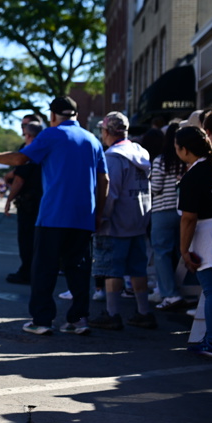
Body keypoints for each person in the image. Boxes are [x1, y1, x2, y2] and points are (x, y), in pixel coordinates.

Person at [0, 96, 108, 336]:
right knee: (78, 269)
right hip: (83, 216)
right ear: (76, 114)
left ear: (53, 115)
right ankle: (79, 320)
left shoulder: (51, 135)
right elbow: (104, 179)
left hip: (53, 214)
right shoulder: (92, 140)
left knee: (44, 268)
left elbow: (20, 159)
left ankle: (42, 320)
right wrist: (98, 213)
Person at [87, 112, 155, 330]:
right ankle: (144, 312)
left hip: (116, 223)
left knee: (112, 270)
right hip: (138, 220)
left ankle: (112, 313)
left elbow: (110, 192)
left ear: (107, 132)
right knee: (138, 269)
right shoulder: (140, 153)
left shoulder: (113, 157)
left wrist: (100, 217)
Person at [174, 126, 212, 357]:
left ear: (185, 150)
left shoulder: (192, 177)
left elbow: (188, 219)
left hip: (211, 234)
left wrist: (184, 250)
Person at [149, 122, 187, 311]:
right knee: (183, 253)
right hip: (183, 211)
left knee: (162, 253)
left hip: (162, 211)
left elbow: (155, 187)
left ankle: (170, 294)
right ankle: (188, 290)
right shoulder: (187, 159)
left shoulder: (161, 160)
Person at [4, 121, 44, 284]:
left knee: (26, 240)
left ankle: (26, 272)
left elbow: (19, 180)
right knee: (38, 240)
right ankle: (35, 271)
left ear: (28, 135)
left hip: (29, 203)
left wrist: (9, 200)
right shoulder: (46, 149)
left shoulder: (29, 152)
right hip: (43, 202)